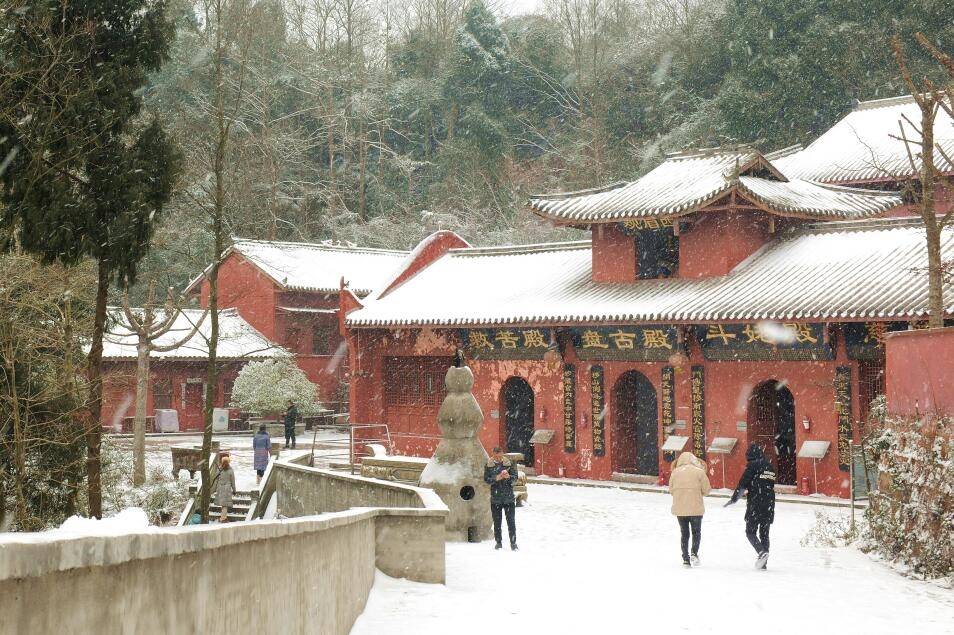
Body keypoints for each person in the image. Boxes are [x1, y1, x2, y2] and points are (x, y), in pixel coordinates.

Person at [725, 443, 777, 570]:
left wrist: (734, 499)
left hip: (756, 503)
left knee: (750, 532)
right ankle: (763, 563)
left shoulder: (753, 466)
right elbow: (767, 484)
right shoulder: (770, 467)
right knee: (765, 534)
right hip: (769, 503)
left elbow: (743, 483)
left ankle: (761, 552)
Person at [668, 451, 711, 567]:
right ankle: (694, 553)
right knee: (696, 532)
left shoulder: (675, 472)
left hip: (680, 509)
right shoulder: (699, 472)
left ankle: (685, 559)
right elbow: (707, 490)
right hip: (696, 508)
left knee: (684, 533)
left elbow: (671, 490)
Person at [484, 447, 519, 550]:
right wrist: (496, 478)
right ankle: (498, 542)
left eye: (500, 456)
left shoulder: (510, 463)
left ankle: (513, 543)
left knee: (511, 522)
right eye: (496, 456)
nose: (498, 459)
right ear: (493, 454)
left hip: (509, 498)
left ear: (503, 454)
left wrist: (509, 477)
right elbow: (486, 479)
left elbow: (515, 478)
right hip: (496, 499)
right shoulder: (489, 465)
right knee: (497, 523)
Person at [214, 454, 236, 523]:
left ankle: (223, 517)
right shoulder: (230, 470)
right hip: (227, 489)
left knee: (223, 504)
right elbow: (233, 481)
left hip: (220, 488)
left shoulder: (219, 469)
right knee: (225, 505)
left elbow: (216, 479)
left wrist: (215, 488)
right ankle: (223, 518)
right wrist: (234, 490)